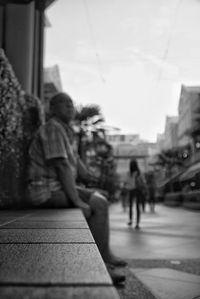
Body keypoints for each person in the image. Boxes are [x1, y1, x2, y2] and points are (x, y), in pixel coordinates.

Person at [26, 92, 126, 285]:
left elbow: (76, 163)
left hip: (57, 187)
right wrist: (78, 201)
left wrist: (91, 175)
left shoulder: (66, 130)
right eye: (65, 104)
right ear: (52, 108)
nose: (70, 107)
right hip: (44, 191)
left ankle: (105, 254)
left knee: (100, 197)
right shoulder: (53, 128)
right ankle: (100, 266)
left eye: (71, 104)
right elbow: (62, 166)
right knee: (98, 203)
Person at [126, 159, 144, 229]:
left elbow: (127, 182)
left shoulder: (129, 173)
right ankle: (137, 223)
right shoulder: (139, 172)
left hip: (131, 190)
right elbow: (143, 181)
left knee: (131, 206)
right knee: (137, 207)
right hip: (138, 190)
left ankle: (131, 220)